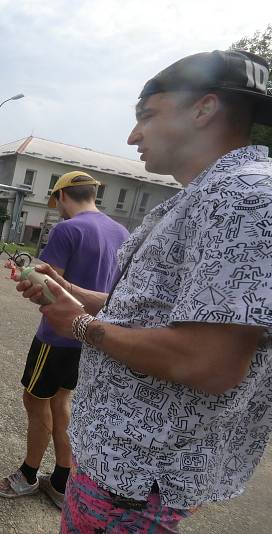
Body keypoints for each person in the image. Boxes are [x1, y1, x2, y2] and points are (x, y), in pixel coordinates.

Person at [18, 49, 272, 532]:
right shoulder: (204, 196)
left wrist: (77, 323)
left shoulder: (244, 198)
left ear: (203, 109)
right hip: (122, 470)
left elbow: (208, 362)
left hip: (136, 481)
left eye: (147, 116)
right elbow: (147, 311)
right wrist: (68, 290)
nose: (133, 135)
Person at [0, 171, 129, 508]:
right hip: (92, 337)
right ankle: (63, 481)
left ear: (62, 197)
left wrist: (25, 276)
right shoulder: (122, 231)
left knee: (35, 401)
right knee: (62, 401)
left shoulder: (67, 229)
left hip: (56, 337)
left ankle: (27, 475)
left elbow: (48, 290)